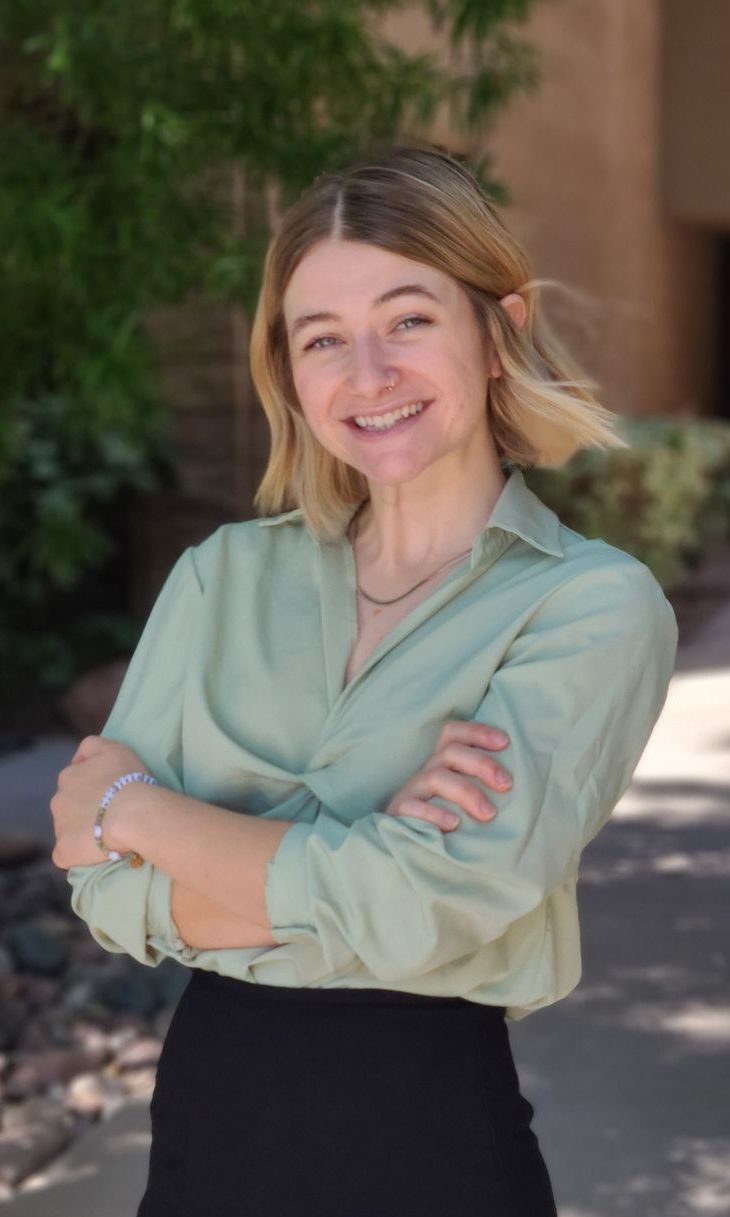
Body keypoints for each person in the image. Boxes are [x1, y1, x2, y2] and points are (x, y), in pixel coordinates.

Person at [51, 145, 678, 1217]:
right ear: (288, 370)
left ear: (501, 330)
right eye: (323, 338)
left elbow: (431, 902)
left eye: (409, 319)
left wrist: (142, 811)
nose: (368, 373)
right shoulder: (220, 578)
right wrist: (366, 856)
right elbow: (102, 890)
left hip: (426, 1135)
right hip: (205, 1122)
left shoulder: (589, 604)